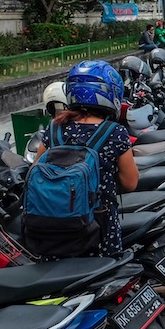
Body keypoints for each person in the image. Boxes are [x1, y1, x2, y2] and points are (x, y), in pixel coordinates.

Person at [35, 60, 139, 256]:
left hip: (53, 230)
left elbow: (36, 170)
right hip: (99, 229)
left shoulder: (53, 128)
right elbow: (130, 183)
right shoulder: (115, 133)